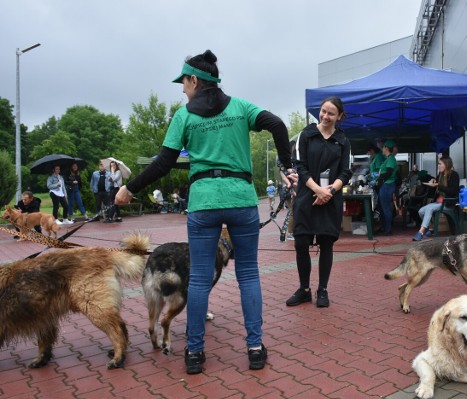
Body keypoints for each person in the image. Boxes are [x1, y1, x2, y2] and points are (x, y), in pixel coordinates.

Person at [115, 49, 292, 374]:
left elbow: (164, 163)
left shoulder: (184, 116)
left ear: (195, 80)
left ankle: (194, 352)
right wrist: (287, 165)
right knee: (249, 274)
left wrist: (130, 188)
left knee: (197, 278)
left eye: (183, 82)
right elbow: (278, 125)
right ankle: (255, 348)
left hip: (204, 202)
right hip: (241, 198)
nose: (182, 88)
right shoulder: (241, 107)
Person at [285, 96, 352, 308]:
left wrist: (330, 191)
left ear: (339, 116)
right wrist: (318, 190)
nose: (325, 116)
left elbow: (346, 171)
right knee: (301, 242)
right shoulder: (307, 134)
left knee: (326, 243)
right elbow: (300, 167)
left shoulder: (343, 140)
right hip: (307, 196)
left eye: (331, 113)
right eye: (323, 111)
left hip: (330, 198)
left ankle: (322, 289)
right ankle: (304, 289)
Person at [412, 156, 460, 241]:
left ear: (446, 164)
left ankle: (421, 232)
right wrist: (433, 183)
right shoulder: (440, 175)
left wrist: (438, 185)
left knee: (430, 208)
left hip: (448, 202)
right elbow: (437, 188)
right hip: (439, 202)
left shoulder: (454, 175)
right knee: (421, 211)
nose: (438, 165)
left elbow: (453, 190)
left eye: (440, 164)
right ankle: (430, 228)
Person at [376, 139, 398, 236]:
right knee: (383, 208)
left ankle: (388, 229)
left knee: (386, 208)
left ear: (386, 148)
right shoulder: (388, 159)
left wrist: (379, 177)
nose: (382, 149)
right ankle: (385, 227)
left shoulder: (391, 159)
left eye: (383, 147)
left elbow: (389, 172)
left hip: (388, 185)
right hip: (386, 185)